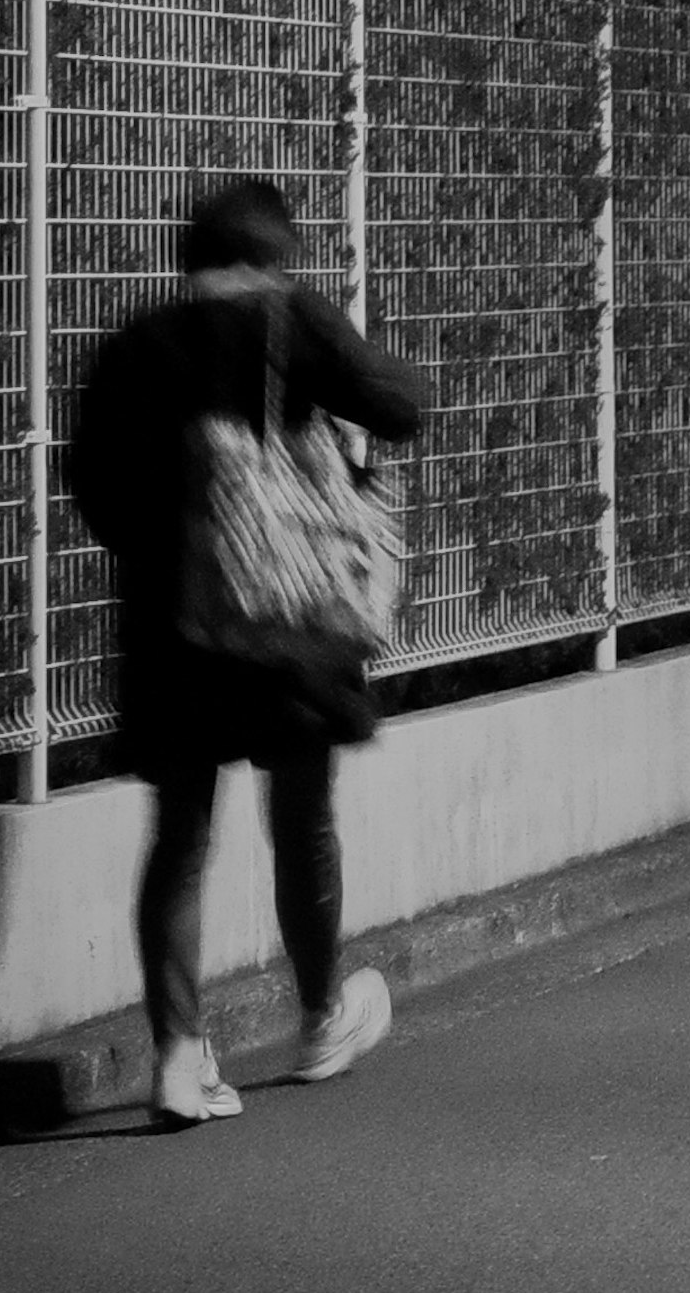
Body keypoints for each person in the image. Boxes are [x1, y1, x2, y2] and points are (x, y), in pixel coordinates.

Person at [67, 175, 432, 1124]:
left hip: (172, 632)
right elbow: (399, 406)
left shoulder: (136, 345)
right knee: (302, 820)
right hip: (289, 630)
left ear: (193, 255)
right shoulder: (293, 323)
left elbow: (92, 487)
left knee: (180, 843)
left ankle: (179, 1059)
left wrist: (180, 551)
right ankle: (318, 1022)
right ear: (275, 254)